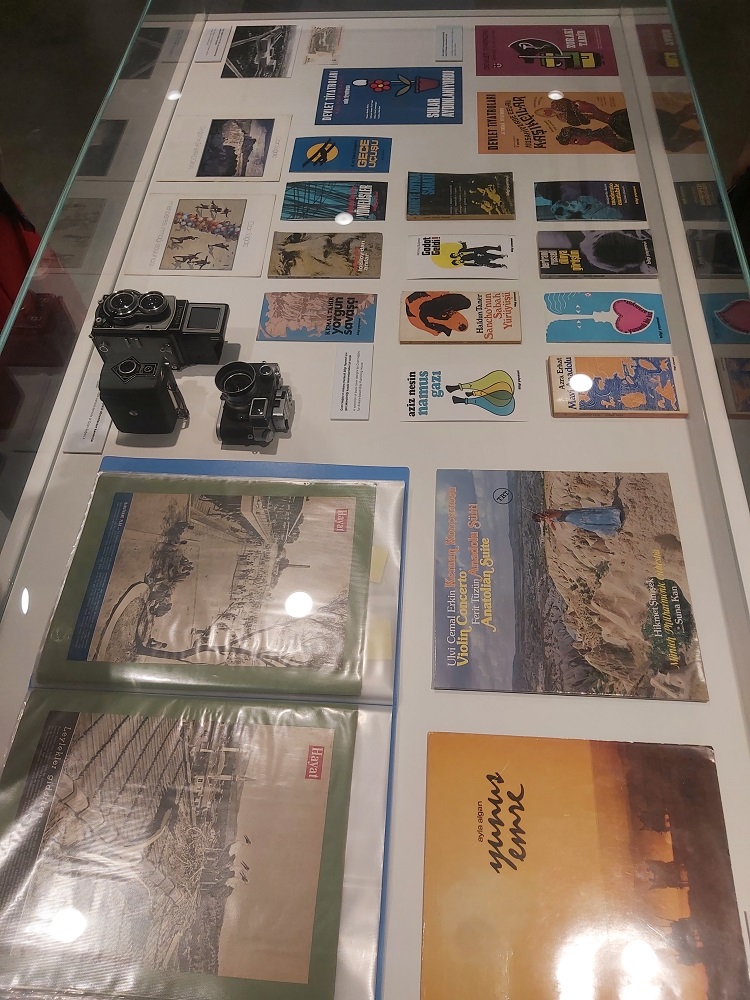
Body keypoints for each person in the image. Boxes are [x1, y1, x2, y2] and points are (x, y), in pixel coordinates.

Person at [533, 478, 625, 537]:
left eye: (540, 516)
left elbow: (559, 514)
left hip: (571, 515)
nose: (542, 517)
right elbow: (554, 529)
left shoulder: (548, 512)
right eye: (541, 519)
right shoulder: (547, 519)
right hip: (571, 520)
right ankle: (613, 523)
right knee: (591, 523)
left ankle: (614, 516)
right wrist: (550, 523)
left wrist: (550, 516)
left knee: (592, 516)